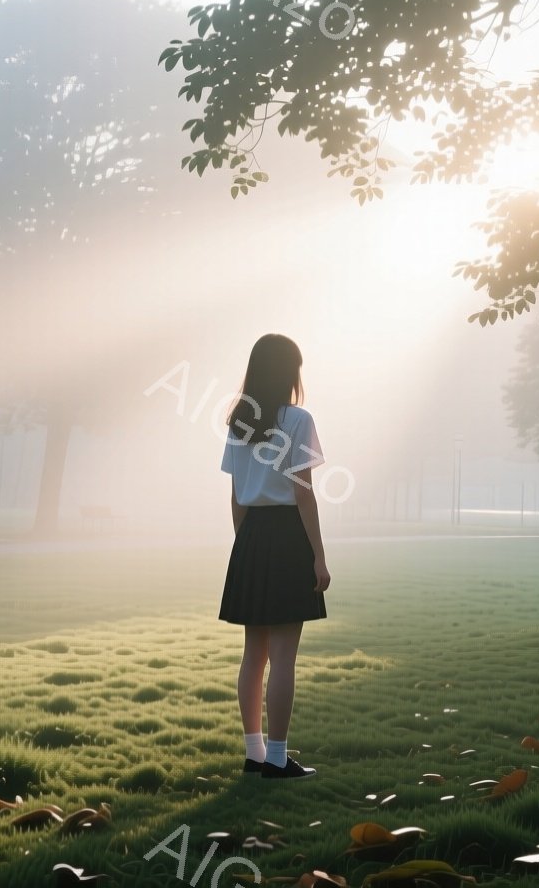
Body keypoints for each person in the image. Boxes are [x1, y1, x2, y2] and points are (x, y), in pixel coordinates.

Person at [219, 333, 330, 780]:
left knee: (254, 655)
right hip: (286, 536)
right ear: (288, 371)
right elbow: (304, 495)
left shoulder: (237, 420)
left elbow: (235, 497)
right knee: (284, 656)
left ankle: (255, 753)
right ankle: (279, 760)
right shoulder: (298, 420)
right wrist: (319, 557)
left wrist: (244, 547)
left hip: (250, 537)